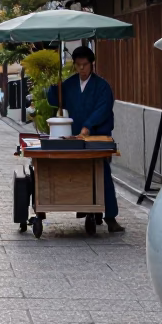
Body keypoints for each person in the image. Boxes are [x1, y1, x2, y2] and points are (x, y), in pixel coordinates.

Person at [46, 46, 124, 232]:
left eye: (85, 65)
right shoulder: (70, 83)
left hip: (97, 135)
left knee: (102, 172)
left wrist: (88, 126)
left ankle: (110, 217)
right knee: (78, 171)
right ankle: (89, 209)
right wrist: (52, 85)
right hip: (75, 136)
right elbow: (55, 100)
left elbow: (103, 109)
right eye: (78, 65)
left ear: (92, 64)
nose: (82, 69)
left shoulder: (102, 86)